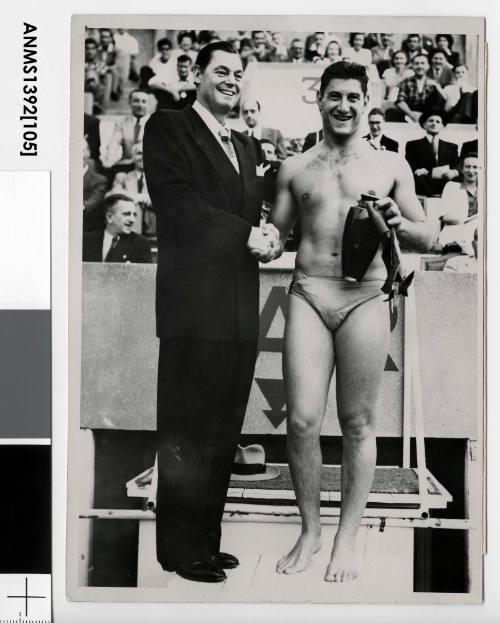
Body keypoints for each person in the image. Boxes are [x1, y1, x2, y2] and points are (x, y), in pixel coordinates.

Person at [269, 61, 431, 582]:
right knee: (300, 421)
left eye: (352, 98)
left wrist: (400, 221)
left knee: (358, 422)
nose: (342, 106)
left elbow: (426, 237)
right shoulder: (295, 167)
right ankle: (311, 529)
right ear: (319, 100)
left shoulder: (392, 165)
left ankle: (346, 538)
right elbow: (275, 235)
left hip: (366, 295)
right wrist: (254, 239)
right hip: (309, 293)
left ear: (366, 103)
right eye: (333, 96)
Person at [143, 41, 279, 584]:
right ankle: (178, 549)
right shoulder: (169, 128)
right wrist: (249, 233)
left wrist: (269, 231)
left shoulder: (246, 146)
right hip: (193, 311)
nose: (231, 79)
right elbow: (178, 206)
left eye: (238, 74)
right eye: (220, 70)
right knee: (186, 430)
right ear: (195, 75)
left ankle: (206, 541)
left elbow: (262, 209)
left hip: (239, 313)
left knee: (222, 433)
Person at [82, 193, 153, 263]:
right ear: (109, 217)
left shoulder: (140, 245)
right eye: (126, 214)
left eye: (134, 215)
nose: (132, 220)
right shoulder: (86, 240)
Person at [404, 108, 459, 196]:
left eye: (438, 122)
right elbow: (408, 165)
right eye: (431, 121)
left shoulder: (452, 147)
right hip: (423, 185)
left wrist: (454, 172)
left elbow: (457, 165)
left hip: (445, 186)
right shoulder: (413, 144)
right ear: (424, 125)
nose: (434, 123)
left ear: (442, 126)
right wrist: (416, 170)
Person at [110, 142, 156, 238]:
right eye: (139, 153)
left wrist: (139, 198)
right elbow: (113, 195)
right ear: (133, 157)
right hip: (129, 233)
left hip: (155, 233)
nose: (143, 157)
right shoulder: (123, 177)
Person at [103, 89, 151, 169]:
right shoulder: (122, 123)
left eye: (144, 102)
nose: (140, 105)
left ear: (148, 104)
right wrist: (109, 161)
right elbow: (113, 143)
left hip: (148, 165)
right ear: (129, 102)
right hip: (127, 163)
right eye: (136, 101)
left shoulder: (155, 122)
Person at [392, 54, 445, 122]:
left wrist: (437, 87)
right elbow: (400, 101)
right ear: (413, 66)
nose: (420, 66)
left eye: (422, 63)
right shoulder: (406, 82)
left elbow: (441, 104)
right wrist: (413, 116)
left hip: (427, 117)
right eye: (416, 64)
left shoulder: (433, 83)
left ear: (428, 66)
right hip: (409, 115)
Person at [83, 137, 108, 233]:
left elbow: (93, 203)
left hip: (87, 228)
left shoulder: (100, 180)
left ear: (88, 153)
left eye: (81, 151)